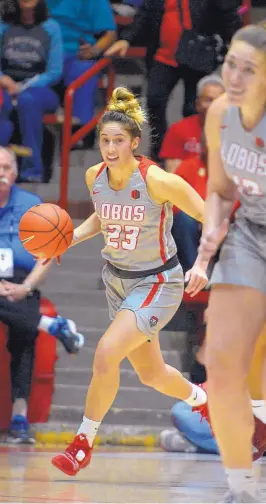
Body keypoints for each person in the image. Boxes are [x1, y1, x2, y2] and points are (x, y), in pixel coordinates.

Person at [51, 86, 209, 476]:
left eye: (118, 140)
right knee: (151, 375)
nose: (109, 147)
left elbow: (211, 217)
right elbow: (103, 219)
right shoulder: (94, 175)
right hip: (117, 281)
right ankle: (203, 400)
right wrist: (67, 237)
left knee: (106, 352)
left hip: (158, 282)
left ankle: (83, 443)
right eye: (104, 140)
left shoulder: (157, 179)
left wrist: (204, 263)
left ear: (134, 142)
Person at [190, 16, 266, 502]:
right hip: (251, 234)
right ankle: (240, 489)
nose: (232, 78)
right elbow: (220, 188)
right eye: (229, 65)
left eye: (246, 70)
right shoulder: (220, 114)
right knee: (221, 366)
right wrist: (212, 229)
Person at [0, 146, 85, 444]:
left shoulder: (31, 205)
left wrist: (27, 287)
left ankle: (19, 417)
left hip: (22, 281)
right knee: (29, 321)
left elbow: (47, 255)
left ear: (15, 173)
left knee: (24, 335)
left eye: (7, 167)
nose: (1, 172)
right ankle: (51, 325)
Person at [105, 0, 241, 161]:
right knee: (154, 99)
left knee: (193, 108)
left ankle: (194, 149)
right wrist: (127, 39)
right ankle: (161, 148)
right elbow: (146, 14)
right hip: (163, 55)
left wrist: (237, 42)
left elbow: (228, 15)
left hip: (198, 55)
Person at [0, 0, 63, 182]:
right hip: (5, 85)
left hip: (39, 88)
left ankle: (32, 170)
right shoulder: (4, 25)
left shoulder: (51, 28)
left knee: (27, 101)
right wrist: (4, 80)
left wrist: (22, 87)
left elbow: (54, 72)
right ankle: (3, 166)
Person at [47, 0, 116, 127]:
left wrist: (95, 50)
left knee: (83, 69)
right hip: (41, 53)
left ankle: (80, 130)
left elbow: (109, 34)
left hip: (75, 54)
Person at [159, 74, 224, 173]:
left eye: (219, 101)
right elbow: (173, 176)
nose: (214, 106)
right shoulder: (178, 130)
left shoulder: (237, 133)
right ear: (198, 104)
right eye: (208, 100)